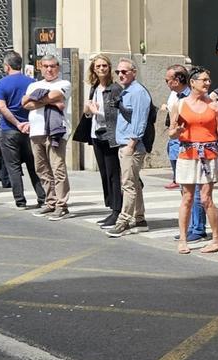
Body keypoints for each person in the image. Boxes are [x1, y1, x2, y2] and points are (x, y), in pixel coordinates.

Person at [171, 66, 218, 254]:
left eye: (208, 80)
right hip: (187, 153)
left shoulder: (213, 103)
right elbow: (171, 132)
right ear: (192, 82)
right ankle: (183, 239)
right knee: (186, 198)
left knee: (206, 198)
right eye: (204, 80)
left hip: (208, 154)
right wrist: (176, 132)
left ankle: (217, 239)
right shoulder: (180, 104)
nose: (208, 83)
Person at [22, 54, 73, 221]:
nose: (49, 69)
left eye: (53, 66)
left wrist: (40, 98)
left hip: (56, 131)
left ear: (58, 67)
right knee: (41, 169)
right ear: (40, 68)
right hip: (36, 131)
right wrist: (51, 101)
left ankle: (61, 205)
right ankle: (50, 201)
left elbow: (54, 95)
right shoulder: (34, 85)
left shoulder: (64, 83)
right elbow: (25, 103)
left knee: (58, 168)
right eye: (46, 66)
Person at [0, 51, 46, 209]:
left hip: (9, 130)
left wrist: (17, 123)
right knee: (34, 165)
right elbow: (39, 104)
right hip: (31, 130)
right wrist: (26, 123)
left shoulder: (2, 83)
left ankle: (20, 201)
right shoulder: (32, 82)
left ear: (7, 66)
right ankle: (42, 197)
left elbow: (1, 107)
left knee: (13, 167)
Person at [163, 64, 209, 242]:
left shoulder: (194, 100)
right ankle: (189, 227)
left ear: (179, 79)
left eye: (168, 80)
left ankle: (198, 228)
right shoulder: (176, 97)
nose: (167, 83)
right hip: (177, 148)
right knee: (185, 192)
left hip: (194, 149)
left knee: (197, 192)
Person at [106, 58, 151, 236]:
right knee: (134, 182)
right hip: (125, 143)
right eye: (118, 72)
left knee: (128, 184)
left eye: (125, 71)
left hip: (131, 145)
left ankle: (124, 220)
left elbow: (140, 119)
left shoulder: (138, 92)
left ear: (134, 72)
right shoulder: (128, 91)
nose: (121, 75)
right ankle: (139, 218)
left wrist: (131, 144)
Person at [84, 54, 125, 230]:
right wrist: (88, 111)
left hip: (110, 135)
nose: (101, 69)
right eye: (98, 66)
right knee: (103, 173)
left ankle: (117, 210)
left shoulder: (114, 89)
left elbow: (116, 115)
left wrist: (96, 112)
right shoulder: (94, 88)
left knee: (113, 174)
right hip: (96, 134)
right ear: (93, 69)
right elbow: (89, 113)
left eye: (104, 66)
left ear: (109, 68)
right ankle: (111, 208)